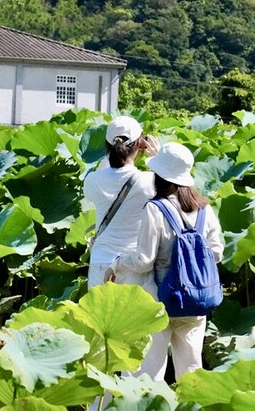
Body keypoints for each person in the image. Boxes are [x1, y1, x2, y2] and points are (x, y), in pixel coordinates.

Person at [104, 142, 223, 382]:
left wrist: (116, 263)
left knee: (149, 374)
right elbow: (217, 253)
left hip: (161, 301)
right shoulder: (204, 209)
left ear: (159, 177)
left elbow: (144, 261)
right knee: (191, 371)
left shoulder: (156, 209)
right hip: (197, 302)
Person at [84, 116, 159, 289]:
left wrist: (110, 155)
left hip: (100, 264)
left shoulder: (93, 181)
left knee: (99, 315)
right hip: (132, 263)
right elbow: (172, 187)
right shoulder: (149, 181)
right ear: (140, 144)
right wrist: (156, 159)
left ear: (108, 146)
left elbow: (103, 172)